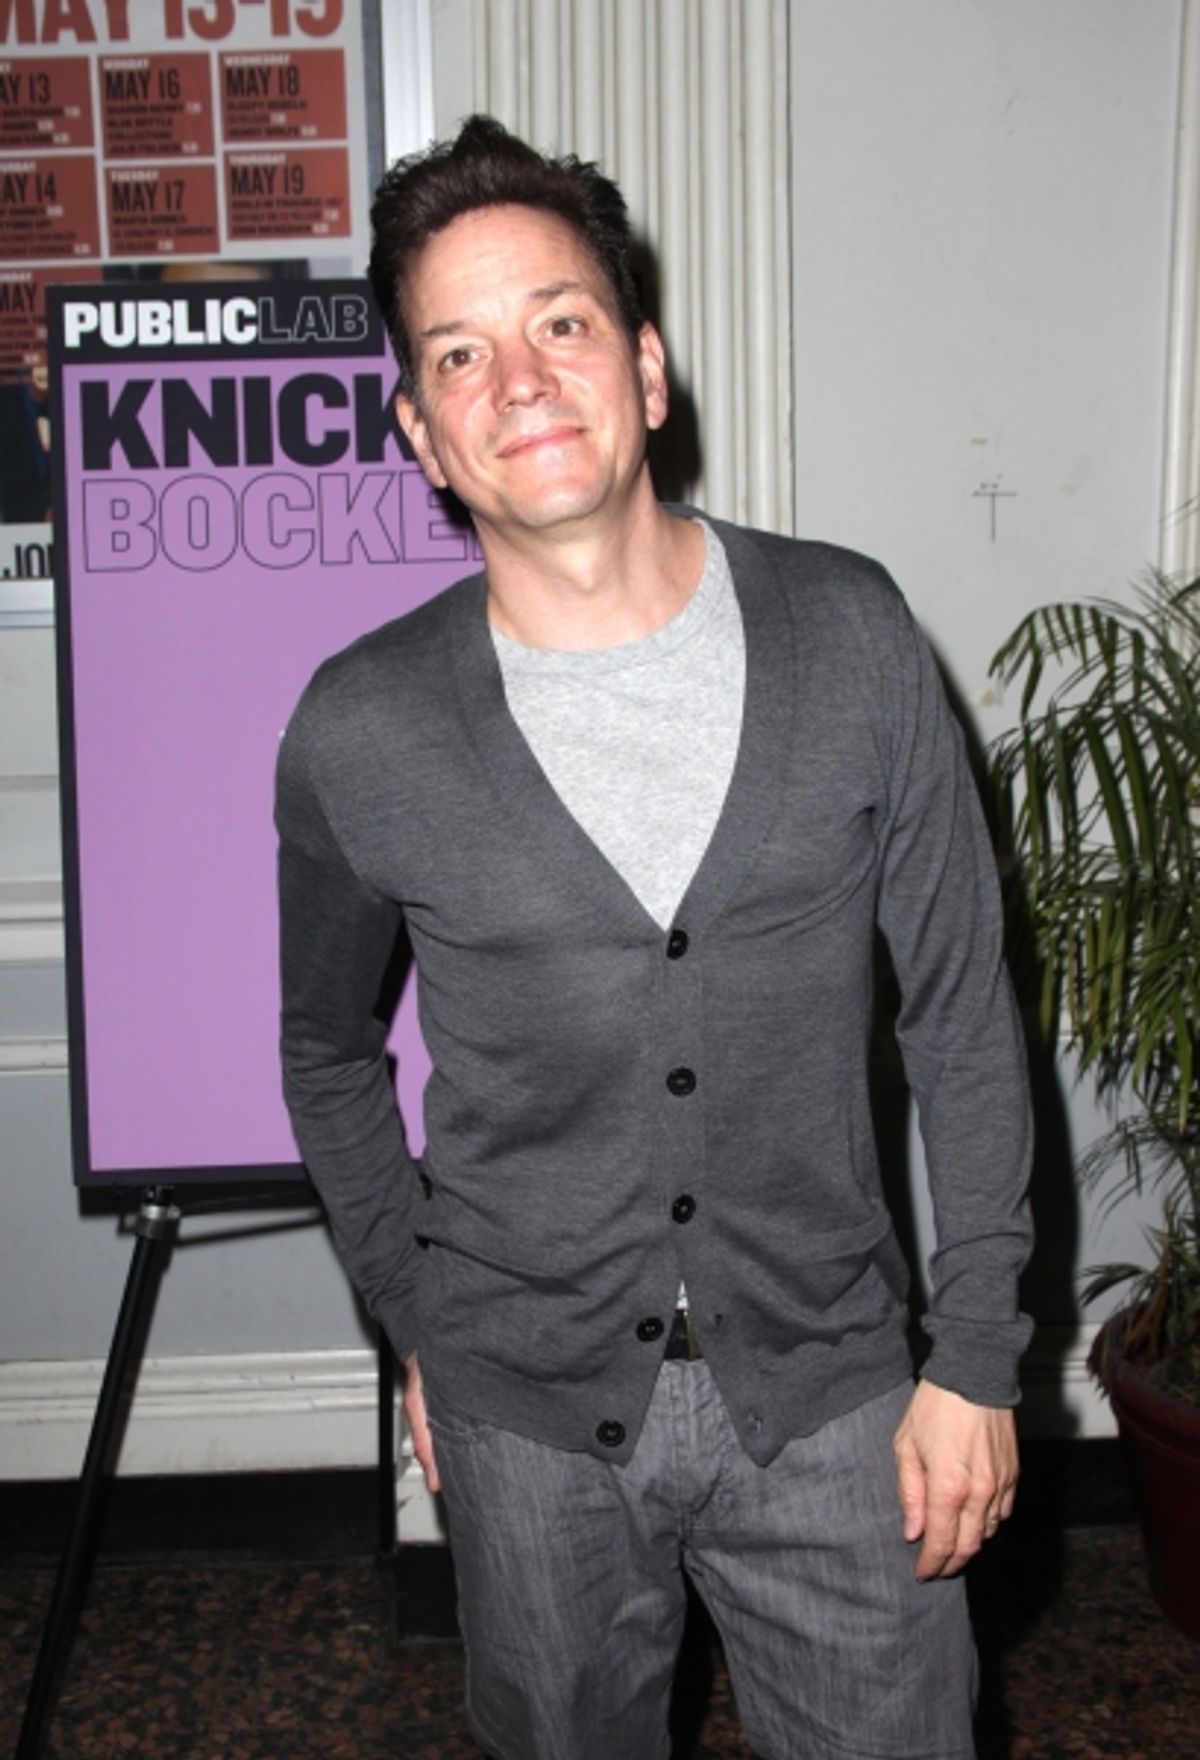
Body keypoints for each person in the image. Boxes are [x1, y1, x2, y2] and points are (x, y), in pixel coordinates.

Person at [277, 115, 1033, 1760]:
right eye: (459, 354)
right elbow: (326, 1051)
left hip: (836, 1395)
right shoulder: (363, 728)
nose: (521, 380)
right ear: (418, 432)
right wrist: (415, 1311)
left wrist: (975, 1358)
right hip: (525, 1417)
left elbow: (965, 1019)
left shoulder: (854, 636)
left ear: (648, 365)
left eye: (560, 323)